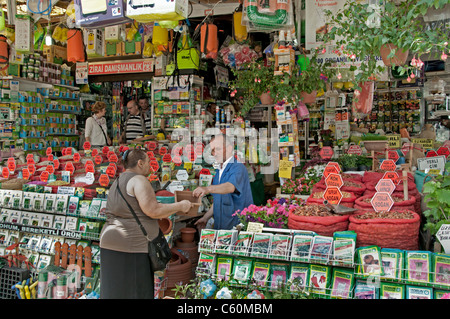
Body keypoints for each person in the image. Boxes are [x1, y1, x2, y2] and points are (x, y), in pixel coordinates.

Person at [99, 148, 193, 299]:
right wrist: (181, 206)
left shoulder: (116, 182)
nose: (151, 166)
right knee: (136, 292)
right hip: (132, 246)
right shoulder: (138, 180)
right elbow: (153, 210)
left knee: (114, 291)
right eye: (148, 162)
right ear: (140, 163)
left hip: (109, 244)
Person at [193, 134, 253, 230]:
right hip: (221, 228)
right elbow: (218, 200)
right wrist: (205, 217)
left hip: (237, 227)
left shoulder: (238, 167)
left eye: (218, 149)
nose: (214, 153)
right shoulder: (219, 170)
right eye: (212, 150)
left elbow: (230, 187)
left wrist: (207, 189)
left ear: (229, 148)